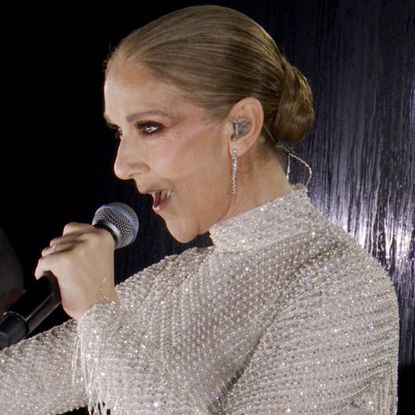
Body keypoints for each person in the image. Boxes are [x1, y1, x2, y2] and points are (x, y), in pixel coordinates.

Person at [0, 5, 399, 414]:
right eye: (120, 132)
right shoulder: (168, 286)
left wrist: (98, 311)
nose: (121, 165)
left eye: (150, 127)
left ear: (240, 126)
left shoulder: (342, 282)